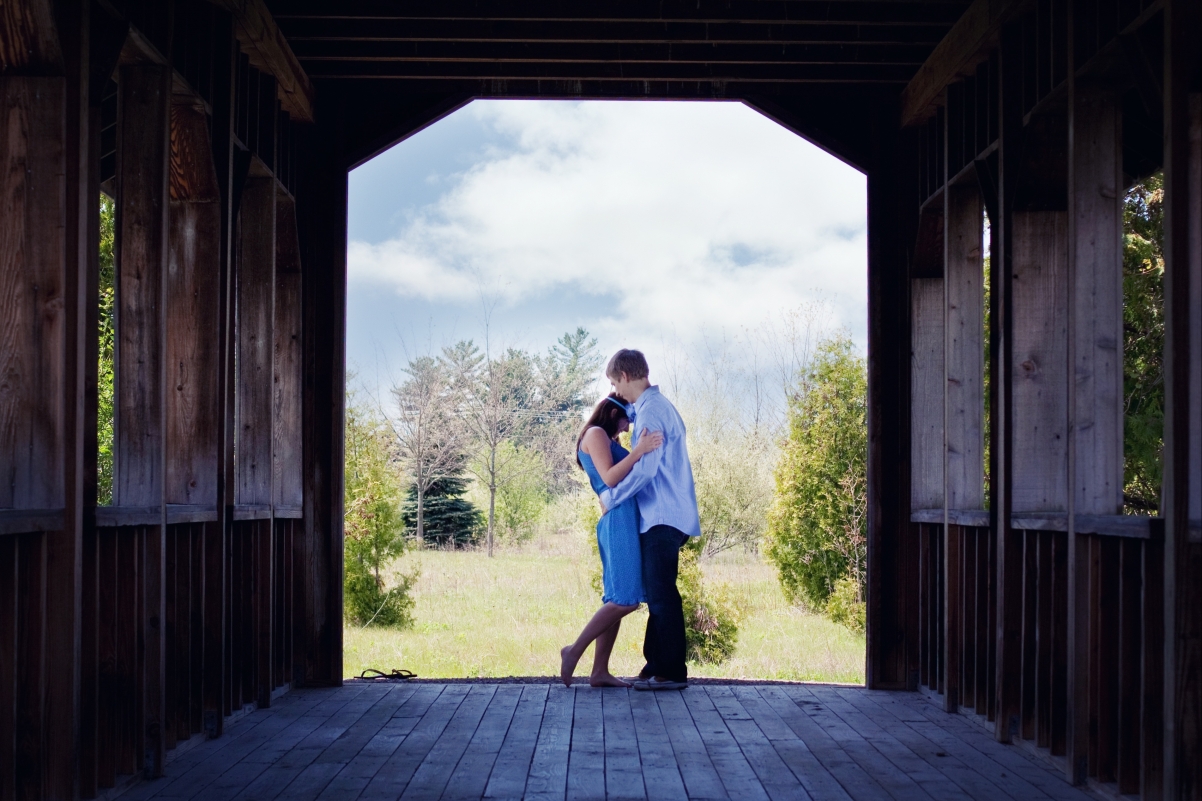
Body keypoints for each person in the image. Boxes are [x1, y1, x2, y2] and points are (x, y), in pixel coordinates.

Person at [599, 349, 700, 691]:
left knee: (661, 595)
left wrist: (611, 498)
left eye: (615, 382)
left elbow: (646, 470)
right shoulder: (654, 407)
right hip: (665, 514)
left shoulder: (652, 412)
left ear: (626, 377)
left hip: (662, 515)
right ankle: (655, 665)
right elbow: (645, 457)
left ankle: (671, 672)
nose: (616, 391)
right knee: (658, 592)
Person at [560, 394, 664, 687]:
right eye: (625, 420)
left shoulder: (609, 439)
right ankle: (573, 651)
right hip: (617, 520)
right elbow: (609, 478)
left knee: (617, 597)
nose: (626, 428)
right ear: (612, 412)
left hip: (623, 518)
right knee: (626, 600)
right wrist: (639, 451)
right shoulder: (594, 434)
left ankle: (599, 672)